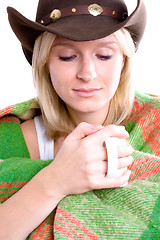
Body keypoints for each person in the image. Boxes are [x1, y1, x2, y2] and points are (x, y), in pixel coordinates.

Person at [0, 0, 159, 239]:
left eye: (104, 55)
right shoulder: (12, 140)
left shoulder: (154, 124)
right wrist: (55, 181)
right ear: (45, 64)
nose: (87, 73)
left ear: (123, 61)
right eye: (67, 56)